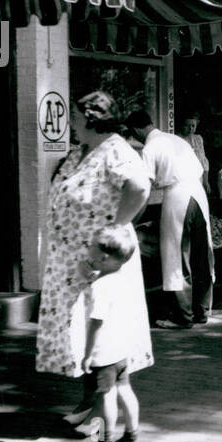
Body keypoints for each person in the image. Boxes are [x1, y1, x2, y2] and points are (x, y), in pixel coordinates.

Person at [37, 92, 153, 418]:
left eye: (75, 115)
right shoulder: (83, 151)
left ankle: (102, 415)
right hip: (77, 258)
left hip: (100, 259)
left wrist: (114, 229)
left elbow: (140, 186)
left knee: (100, 330)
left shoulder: (114, 149)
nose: (71, 122)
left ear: (91, 116)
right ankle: (91, 404)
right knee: (83, 331)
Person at [126, 110, 212, 329]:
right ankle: (202, 310)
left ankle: (183, 316)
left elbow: (143, 188)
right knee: (202, 252)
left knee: (176, 253)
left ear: (136, 130)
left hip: (177, 195)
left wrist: (133, 220)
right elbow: (200, 170)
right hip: (198, 193)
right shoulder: (177, 140)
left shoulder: (150, 148)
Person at [78, 225, 143, 442]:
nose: (88, 252)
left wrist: (87, 354)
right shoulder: (123, 280)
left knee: (106, 396)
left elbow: (96, 322)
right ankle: (132, 436)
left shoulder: (99, 288)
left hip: (103, 354)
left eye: (92, 249)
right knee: (125, 390)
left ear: (103, 257)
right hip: (121, 350)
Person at [179, 110, 209, 191]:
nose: (190, 129)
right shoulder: (177, 139)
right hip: (183, 179)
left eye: (193, 126)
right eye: (187, 125)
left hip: (198, 178)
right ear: (182, 125)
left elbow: (203, 160)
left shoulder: (198, 139)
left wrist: (206, 181)